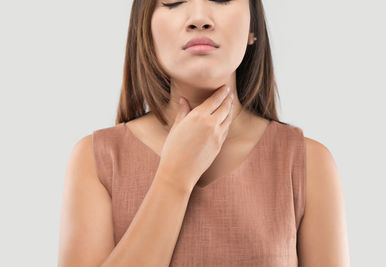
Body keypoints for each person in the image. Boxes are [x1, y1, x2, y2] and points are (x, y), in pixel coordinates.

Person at [58, 0, 351, 266]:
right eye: (174, 1)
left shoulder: (309, 163)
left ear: (253, 29)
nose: (199, 18)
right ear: (146, 31)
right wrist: (175, 176)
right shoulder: (97, 159)